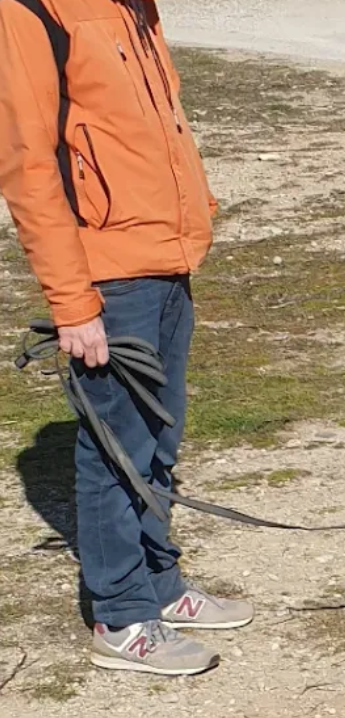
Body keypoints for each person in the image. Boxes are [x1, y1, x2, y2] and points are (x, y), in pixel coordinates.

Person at [0, 0, 252, 675]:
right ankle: (121, 613)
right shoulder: (30, 11)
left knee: (161, 438)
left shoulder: (131, 7)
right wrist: (72, 300)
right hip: (108, 276)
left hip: (167, 258)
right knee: (117, 446)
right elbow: (29, 167)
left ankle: (161, 585)